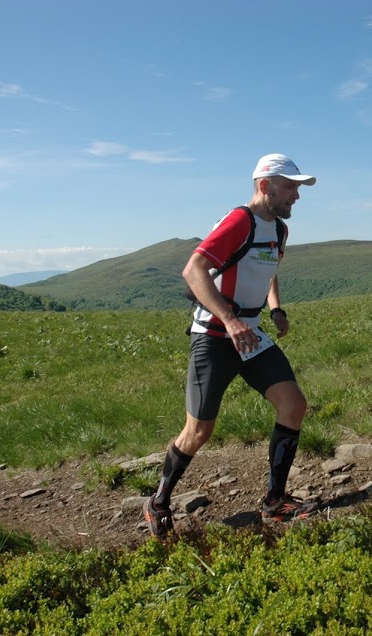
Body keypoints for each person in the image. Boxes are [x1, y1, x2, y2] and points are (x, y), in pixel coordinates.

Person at [144, 153, 318, 539]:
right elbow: (193, 270)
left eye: (298, 188)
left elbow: (268, 272)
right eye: (290, 187)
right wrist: (230, 319)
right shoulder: (240, 220)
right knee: (199, 431)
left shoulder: (280, 231)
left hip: (250, 335)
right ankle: (158, 501)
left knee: (293, 405)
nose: (296, 196)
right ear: (264, 186)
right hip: (214, 336)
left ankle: (275, 502)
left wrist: (276, 309)